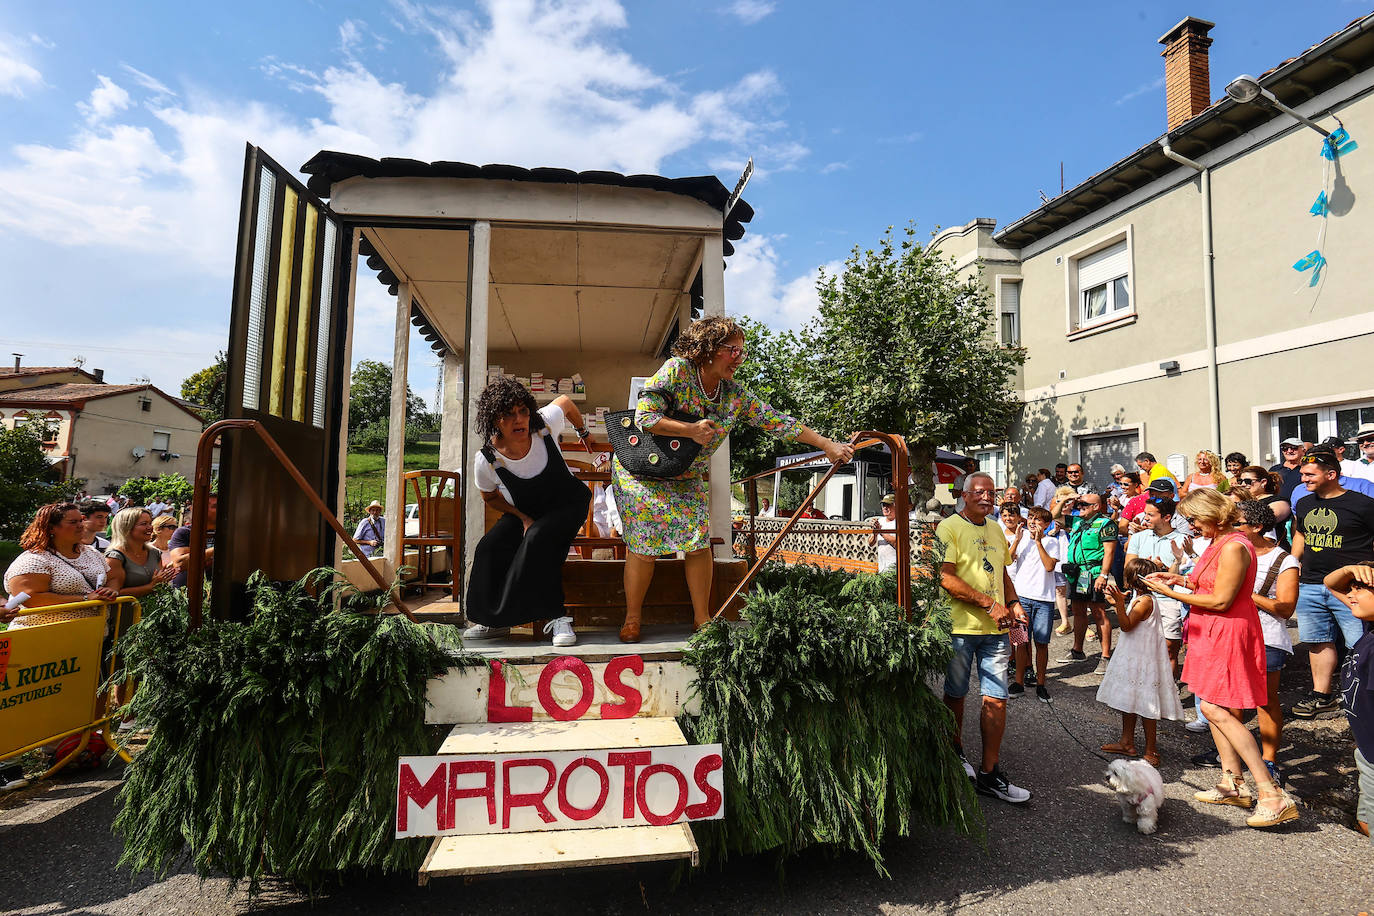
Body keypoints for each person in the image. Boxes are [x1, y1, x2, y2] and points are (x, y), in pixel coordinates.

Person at [612, 316, 852, 642]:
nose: (739, 358)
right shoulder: (677, 371)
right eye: (732, 350)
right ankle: (632, 619)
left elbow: (777, 421)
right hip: (642, 472)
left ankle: (702, 619)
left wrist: (826, 445)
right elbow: (646, 417)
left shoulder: (733, 396)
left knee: (698, 542)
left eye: (742, 352)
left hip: (686, 474)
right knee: (643, 545)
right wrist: (691, 430)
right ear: (708, 349)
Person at [1142, 487, 1298, 828]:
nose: (1193, 526)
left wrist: (1170, 592)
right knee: (1215, 707)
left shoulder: (1234, 545)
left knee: (1214, 708)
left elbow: (1223, 599)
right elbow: (1207, 584)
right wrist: (1178, 577)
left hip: (1227, 631)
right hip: (1209, 631)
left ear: (1213, 514)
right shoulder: (1217, 543)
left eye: (1196, 519)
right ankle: (1232, 782)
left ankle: (1270, 793)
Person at [464, 380, 596, 647]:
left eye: (523, 411)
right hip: (525, 512)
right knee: (490, 547)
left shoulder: (544, 426)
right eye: (508, 414)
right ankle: (493, 621)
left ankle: (557, 616)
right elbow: (489, 497)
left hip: (569, 505)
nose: (519, 419)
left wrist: (583, 432)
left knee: (538, 538)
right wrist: (521, 517)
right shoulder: (487, 459)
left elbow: (566, 402)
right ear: (494, 420)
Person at [938, 472, 1031, 803]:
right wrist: (989, 604)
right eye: (979, 492)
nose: (987, 497)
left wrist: (1014, 603)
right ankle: (955, 755)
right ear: (965, 495)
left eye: (992, 492)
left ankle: (990, 773)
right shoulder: (949, 528)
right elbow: (945, 578)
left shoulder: (995, 528)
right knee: (956, 695)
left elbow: (1003, 572)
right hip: (960, 628)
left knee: (996, 698)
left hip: (996, 631)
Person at [1288, 448, 1374, 718]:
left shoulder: (1363, 504)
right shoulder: (1304, 504)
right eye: (1302, 474)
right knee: (1317, 642)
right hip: (1311, 582)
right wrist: (1292, 565)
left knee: (1360, 645)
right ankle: (1322, 696)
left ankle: (1363, 698)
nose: (1303, 479)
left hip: (1351, 587)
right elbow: (1300, 535)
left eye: (1309, 474)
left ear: (1332, 474)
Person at [1097, 558, 1185, 766]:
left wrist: (1118, 604)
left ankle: (1151, 749)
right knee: (1129, 700)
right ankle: (1126, 741)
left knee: (1147, 705)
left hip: (1143, 659)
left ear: (1130, 578)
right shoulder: (1139, 597)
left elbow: (1126, 626)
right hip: (1133, 656)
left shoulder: (1145, 601)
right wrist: (1116, 602)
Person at [1235, 499, 1298, 785]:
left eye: (1237, 524)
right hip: (1234, 634)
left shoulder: (1283, 560)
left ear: (1257, 527)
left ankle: (1269, 759)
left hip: (1267, 637)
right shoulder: (1233, 552)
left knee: (1265, 700)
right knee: (1231, 696)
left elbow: (1286, 608)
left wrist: (1245, 593)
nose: (1231, 528)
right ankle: (1233, 751)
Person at [4, 503, 118, 628]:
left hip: (90, 633)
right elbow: (31, 598)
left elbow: (112, 577)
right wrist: (85, 599)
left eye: (81, 520)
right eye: (73, 522)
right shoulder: (34, 560)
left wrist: (111, 589)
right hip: (44, 635)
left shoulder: (91, 552)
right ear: (51, 528)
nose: (81, 525)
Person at [1324, 561, 1374, 841]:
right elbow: (1331, 584)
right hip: (1366, 749)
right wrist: (1351, 570)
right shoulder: (1369, 625)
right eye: (1351, 590)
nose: (1351, 595)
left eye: (1360, 590)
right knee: (1365, 820)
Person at [1125, 496, 1187, 682]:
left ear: (1166, 517)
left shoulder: (1183, 540)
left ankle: (1169, 691)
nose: (1145, 518)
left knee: (1169, 650)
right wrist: (1150, 567)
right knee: (1138, 649)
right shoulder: (1138, 537)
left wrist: (1162, 569)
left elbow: (1181, 578)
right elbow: (1129, 570)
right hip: (1141, 599)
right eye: (1145, 514)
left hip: (1170, 602)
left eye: (1150, 515)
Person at [1058, 490, 1117, 668]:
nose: (1080, 507)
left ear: (1096, 507)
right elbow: (1053, 516)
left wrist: (1103, 575)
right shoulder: (1077, 521)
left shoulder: (1105, 523)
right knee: (1078, 611)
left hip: (1093, 573)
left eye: (1084, 505)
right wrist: (1066, 501)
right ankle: (1078, 650)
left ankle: (1105, 656)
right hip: (1077, 574)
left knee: (1098, 612)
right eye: (1079, 504)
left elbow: (1109, 551)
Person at [1007, 505, 1059, 702]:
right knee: (1020, 641)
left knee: (1042, 642)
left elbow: (1049, 566)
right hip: (1021, 598)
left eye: (1038, 520)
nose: (1032, 522)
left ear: (1046, 524)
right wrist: (1017, 540)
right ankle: (1018, 682)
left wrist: (1038, 543)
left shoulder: (1051, 541)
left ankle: (1041, 683)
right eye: (1030, 518)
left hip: (1044, 600)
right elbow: (1008, 560)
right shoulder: (1019, 540)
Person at [105, 507, 177, 601]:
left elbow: (160, 585)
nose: (150, 527)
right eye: (144, 524)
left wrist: (165, 578)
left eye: (150, 523)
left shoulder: (155, 553)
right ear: (127, 527)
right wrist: (151, 586)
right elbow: (113, 593)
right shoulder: (115, 557)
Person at [1236, 465, 1291, 549]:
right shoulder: (1242, 501)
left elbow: (1265, 518)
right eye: (1240, 481)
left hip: (1271, 550)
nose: (1243, 484)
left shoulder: (1279, 501)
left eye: (1248, 481)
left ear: (1263, 482)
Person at [168, 493, 217, 588]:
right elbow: (179, 563)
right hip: (188, 592)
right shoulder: (185, 532)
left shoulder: (226, 532)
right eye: (214, 506)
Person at [869, 494, 900, 573]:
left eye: (888, 505)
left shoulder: (900, 522)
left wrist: (880, 531)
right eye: (883, 505)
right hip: (882, 566)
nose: (885, 508)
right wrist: (875, 533)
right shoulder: (880, 521)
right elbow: (870, 543)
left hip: (895, 568)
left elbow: (897, 543)